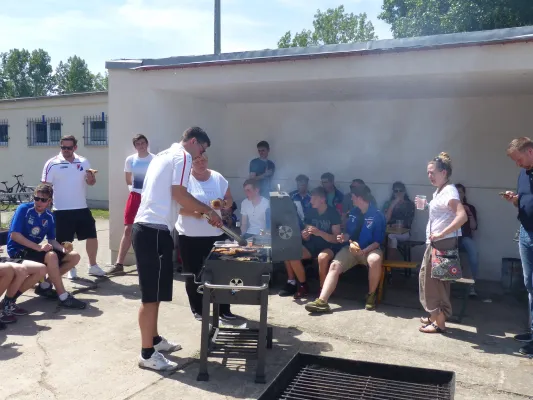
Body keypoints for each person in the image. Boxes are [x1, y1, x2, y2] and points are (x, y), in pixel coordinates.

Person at [131, 126, 223, 371]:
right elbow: (180, 194)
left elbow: (176, 204)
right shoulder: (182, 157)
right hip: (152, 232)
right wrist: (209, 210)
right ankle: (147, 354)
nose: (199, 155)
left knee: (157, 294)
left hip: (152, 230)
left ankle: (155, 340)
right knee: (150, 297)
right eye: (201, 149)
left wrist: (203, 214)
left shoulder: (163, 156)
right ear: (193, 141)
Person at [305, 184, 386, 313]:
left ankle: (371, 296)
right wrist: (343, 237)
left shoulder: (377, 214)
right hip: (352, 248)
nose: (351, 200)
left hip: (370, 249)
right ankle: (322, 301)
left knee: (374, 260)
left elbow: (378, 241)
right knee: (334, 266)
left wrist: (364, 251)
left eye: (353, 197)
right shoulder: (353, 213)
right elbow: (349, 233)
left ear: (360, 198)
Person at [176, 153, 236, 322]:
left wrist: (222, 204)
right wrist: (196, 213)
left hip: (215, 234)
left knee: (221, 273)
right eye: (197, 160)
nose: (201, 163)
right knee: (193, 274)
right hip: (190, 235)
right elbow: (177, 207)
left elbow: (230, 199)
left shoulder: (217, 177)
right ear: (191, 163)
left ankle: (224, 309)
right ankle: (199, 310)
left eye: (204, 160)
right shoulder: (184, 180)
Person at [6, 183, 86, 309]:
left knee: (74, 256)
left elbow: (52, 240)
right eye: (36, 198)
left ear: (49, 201)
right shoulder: (24, 209)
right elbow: (14, 235)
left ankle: (44, 286)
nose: (39, 202)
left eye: (43, 200)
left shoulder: (49, 216)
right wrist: (38, 247)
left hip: (33, 250)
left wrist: (63, 249)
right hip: (18, 250)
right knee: (51, 256)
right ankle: (63, 296)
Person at [416, 152, 467, 334]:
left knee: (434, 282)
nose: (429, 176)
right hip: (437, 242)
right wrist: (428, 205)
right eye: (428, 172)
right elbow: (444, 213)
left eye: (432, 172)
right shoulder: (440, 191)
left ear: (443, 172)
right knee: (431, 279)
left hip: (442, 243)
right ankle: (434, 316)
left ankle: (440, 323)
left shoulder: (450, 191)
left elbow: (462, 216)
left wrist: (442, 233)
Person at [42, 135, 105, 279]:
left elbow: (91, 182)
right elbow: (46, 186)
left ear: (75, 147)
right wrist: (45, 207)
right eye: (63, 147)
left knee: (92, 235)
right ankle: (71, 267)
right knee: (65, 241)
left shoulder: (83, 161)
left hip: (81, 207)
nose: (65, 150)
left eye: (69, 148)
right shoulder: (52, 163)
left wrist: (91, 178)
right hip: (61, 209)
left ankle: (93, 266)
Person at [279, 187, 341, 299]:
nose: (310, 201)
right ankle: (303, 286)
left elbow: (336, 238)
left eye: (314, 199)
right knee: (291, 253)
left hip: (329, 247)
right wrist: (305, 235)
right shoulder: (310, 211)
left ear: (322, 200)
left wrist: (320, 233)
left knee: (322, 257)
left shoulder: (333, 213)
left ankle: (323, 290)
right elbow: (307, 232)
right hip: (312, 245)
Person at [107, 134, 155, 275]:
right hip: (134, 197)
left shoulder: (155, 159)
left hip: (150, 198)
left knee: (149, 230)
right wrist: (134, 191)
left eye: (143, 143)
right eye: (138, 143)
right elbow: (128, 180)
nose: (141, 145)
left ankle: (149, 263)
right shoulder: (130, 160)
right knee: (128, 229)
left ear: (147, 143)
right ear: (135, 146)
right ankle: (119, 264)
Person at [503, 137, 533, 356]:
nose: (518, 164)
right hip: (525, 231)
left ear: (530, 151)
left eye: (519, 159)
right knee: (530, 284)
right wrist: (514, 200)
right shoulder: (523, 174)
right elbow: (524, 200)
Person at [455, 183, 479, 297]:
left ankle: (471, 286)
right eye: (456, 192)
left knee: (473, 254)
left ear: (464, 194)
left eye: (460, 192)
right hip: (451, 237)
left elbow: (474, 227)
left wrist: (468, 213)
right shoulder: (449, 207)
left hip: (465, 237)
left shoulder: (470, 207)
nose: (458, 194)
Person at [382, 181, 415, 259]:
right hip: (388, 230)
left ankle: (389, 265)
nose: (398, 193)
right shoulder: (388, 203)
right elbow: (385, 220)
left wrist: (396, 226)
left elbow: (408, 223)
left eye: (401, 190)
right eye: (396, 191)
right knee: (379, 237)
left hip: (404, 233)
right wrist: (393, 204)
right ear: (393, 192)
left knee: (391, 237)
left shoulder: (409, 204)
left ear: (404, 192)